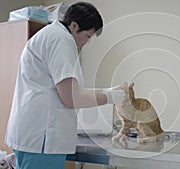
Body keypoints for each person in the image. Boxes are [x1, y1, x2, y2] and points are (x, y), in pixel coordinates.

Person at [5, 2, 125, 169]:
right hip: (42, 139)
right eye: (88, 36)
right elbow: (71, 98)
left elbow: (69, 90)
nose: (87, 42)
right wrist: (108, 97)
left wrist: (105, 91)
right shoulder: (61, 39)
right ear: (74, 26)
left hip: (34, 135)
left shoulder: (51, 35)